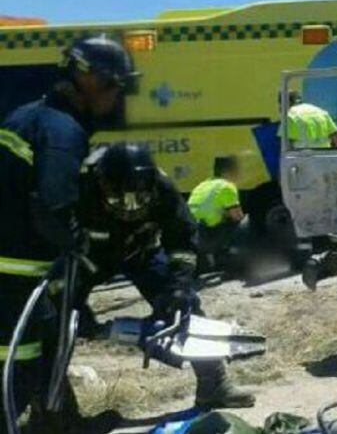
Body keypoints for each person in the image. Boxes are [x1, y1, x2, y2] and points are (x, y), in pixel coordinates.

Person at [0, 35, 137, 432]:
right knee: (18, 372)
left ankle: (60, 421)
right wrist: (81, 244)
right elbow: (53, 206)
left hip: (11, 269)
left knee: (46, 350)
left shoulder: (24, 116)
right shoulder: (64, 131)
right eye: (116, 86)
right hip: (15, 276)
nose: (118, 97)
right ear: (92, 81)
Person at [78, 143, 255, 408]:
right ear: (103, 185)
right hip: (88, 258)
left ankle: (213, 385)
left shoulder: (162, 187)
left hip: (141, 251)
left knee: (188, 308)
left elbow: (182, 239)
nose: (129, 209)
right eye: (119, 200)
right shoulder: (80, 187)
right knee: (61, 319)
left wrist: (180, 285)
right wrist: (73, 300)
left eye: (139, 200)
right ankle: (52, 408)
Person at [188, 156, 248, 271]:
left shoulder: (203, 184)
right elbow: (237, 217)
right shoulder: (226, 186)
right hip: (205, 235)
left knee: (219, 220)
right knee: (244, 223)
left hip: (191, 235)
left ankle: (205, 264)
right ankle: (235, 263)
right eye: (236, 170)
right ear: (227, 171)